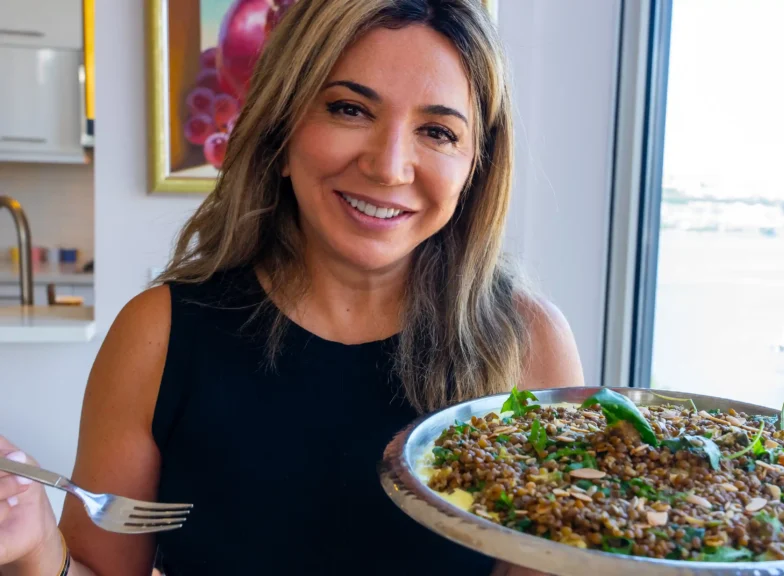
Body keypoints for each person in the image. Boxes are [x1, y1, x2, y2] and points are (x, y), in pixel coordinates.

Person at [0, 0, 585, 574]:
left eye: (437, 130)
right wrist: (31, 545)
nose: (388, 166)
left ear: (475, 169)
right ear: (281, 133)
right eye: (350, 109)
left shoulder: (528, 345)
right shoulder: (159, 333)